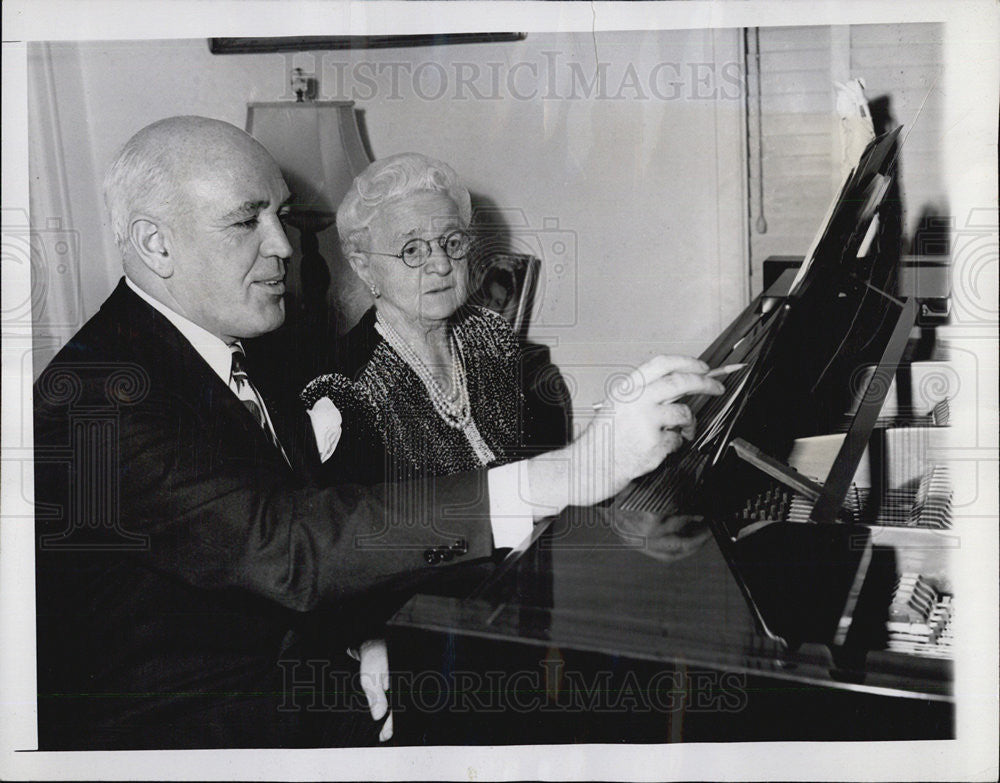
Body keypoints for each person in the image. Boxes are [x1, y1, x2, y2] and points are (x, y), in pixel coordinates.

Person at [32, 115, 725, 750]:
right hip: (183, 738)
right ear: (155, 242)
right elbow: (288, 542)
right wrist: (568, 472)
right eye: (246, 222)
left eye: (279, 214)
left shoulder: (250, 347)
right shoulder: (97, 396)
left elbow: (318, 542)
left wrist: (365, 635)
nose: (280, 245)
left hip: (299, 679)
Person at [300, 153, 527, 485]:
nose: (441, 264)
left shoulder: (492, 336)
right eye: (411, 249)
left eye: (451, 242)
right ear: (363, 266)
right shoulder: (347, 389)